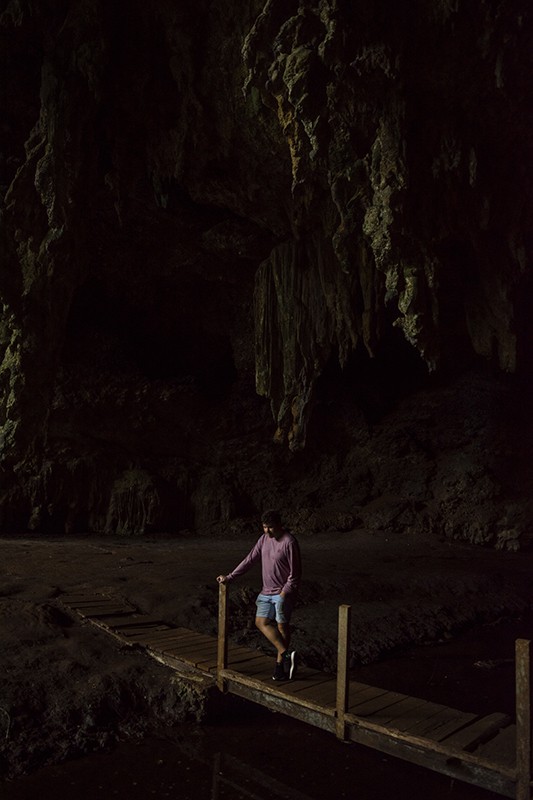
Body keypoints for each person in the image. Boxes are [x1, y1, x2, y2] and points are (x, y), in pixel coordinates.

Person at [217, 509, 301, 681]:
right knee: (260, 622)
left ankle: (280, 669)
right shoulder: (263, 539)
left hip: (282, 593)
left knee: (282, 627)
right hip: (266, 591)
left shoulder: (289, 542)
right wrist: (230, 577)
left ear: (279, 525)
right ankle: (287, 655)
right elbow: (250, 560)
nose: (267, 531)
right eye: (264, 527)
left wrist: (285, 593)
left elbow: (295, 573)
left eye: (270, 527)